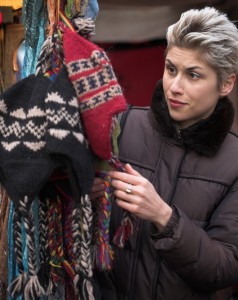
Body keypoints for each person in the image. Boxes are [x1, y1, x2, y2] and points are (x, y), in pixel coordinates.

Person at [91, 6, 238, 300]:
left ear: (226, 83)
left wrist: (163, 216)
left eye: (193, 75)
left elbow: (224, 268)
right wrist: (87, 192)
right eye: (171, 69)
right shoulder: (124, 125)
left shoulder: (234, 162)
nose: (175, 87)